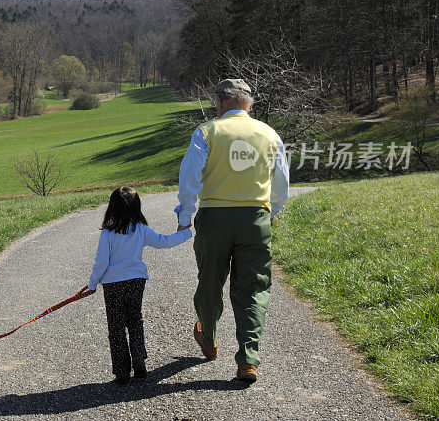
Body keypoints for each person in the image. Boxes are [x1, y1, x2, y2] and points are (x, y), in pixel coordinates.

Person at [175, 78, 289, 383]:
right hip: (255, 218)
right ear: (248, 103)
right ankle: (248, 359)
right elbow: (281, 184)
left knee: (210, 280)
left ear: (220, 102)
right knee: (253, 286)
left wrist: (185, 215)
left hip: (213, 218)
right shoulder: (268, 133)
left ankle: (209, 339)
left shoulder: (207, 132)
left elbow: (189, 179)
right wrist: (270, 212)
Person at [88, 186, 192, 385]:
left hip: (112, 284)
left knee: (116, 326)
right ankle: (138, 356)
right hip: (137, 281)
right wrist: (186, 233)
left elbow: (101, 263)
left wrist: (92, 284)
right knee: (135, 319)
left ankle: (121, 370)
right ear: (137, 207)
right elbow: (165, 241)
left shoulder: (108, 234)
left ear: (112, 208)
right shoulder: (140, 230)